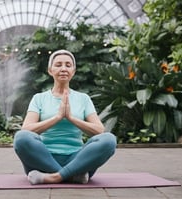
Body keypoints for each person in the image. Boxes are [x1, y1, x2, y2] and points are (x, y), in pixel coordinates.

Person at [13, 49, 116, 185]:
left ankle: (55, 177)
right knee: (21, 138)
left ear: (73, 71)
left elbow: (99, 130)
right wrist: (57, 117)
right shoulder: (39, 98)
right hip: (43, 158)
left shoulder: (83, 99)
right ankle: (71, 176)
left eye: (68, 65)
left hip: (78, 160)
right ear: (50, 70)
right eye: (58, 65)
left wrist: (71, 118)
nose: (63, 69)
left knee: (109, 140)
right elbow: (27, 129)